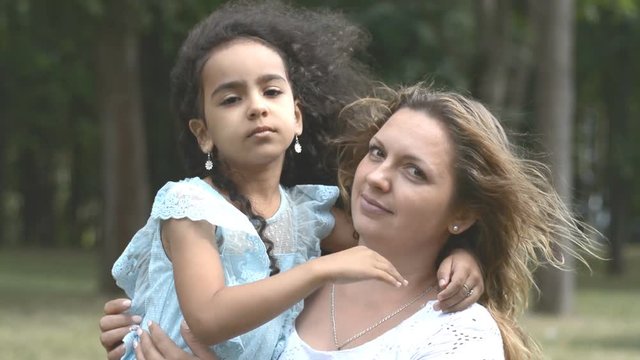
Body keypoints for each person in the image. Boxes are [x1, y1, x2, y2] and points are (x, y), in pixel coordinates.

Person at [101, 2, 485, 360]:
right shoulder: (192, 207)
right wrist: (318, 270)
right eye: (231, 99)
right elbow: (208, 318)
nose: (256, 106)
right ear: (204, 134)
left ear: (297, 117)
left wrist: (461, 252)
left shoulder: (305, 212)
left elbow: (381, 241)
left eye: (271, 91)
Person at [120, 84, 600, 360]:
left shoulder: (458, 338)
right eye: (378, 153)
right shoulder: (297, 269)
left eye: (415, 171)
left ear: (463, 214)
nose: (377, 179)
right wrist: (143, 327)